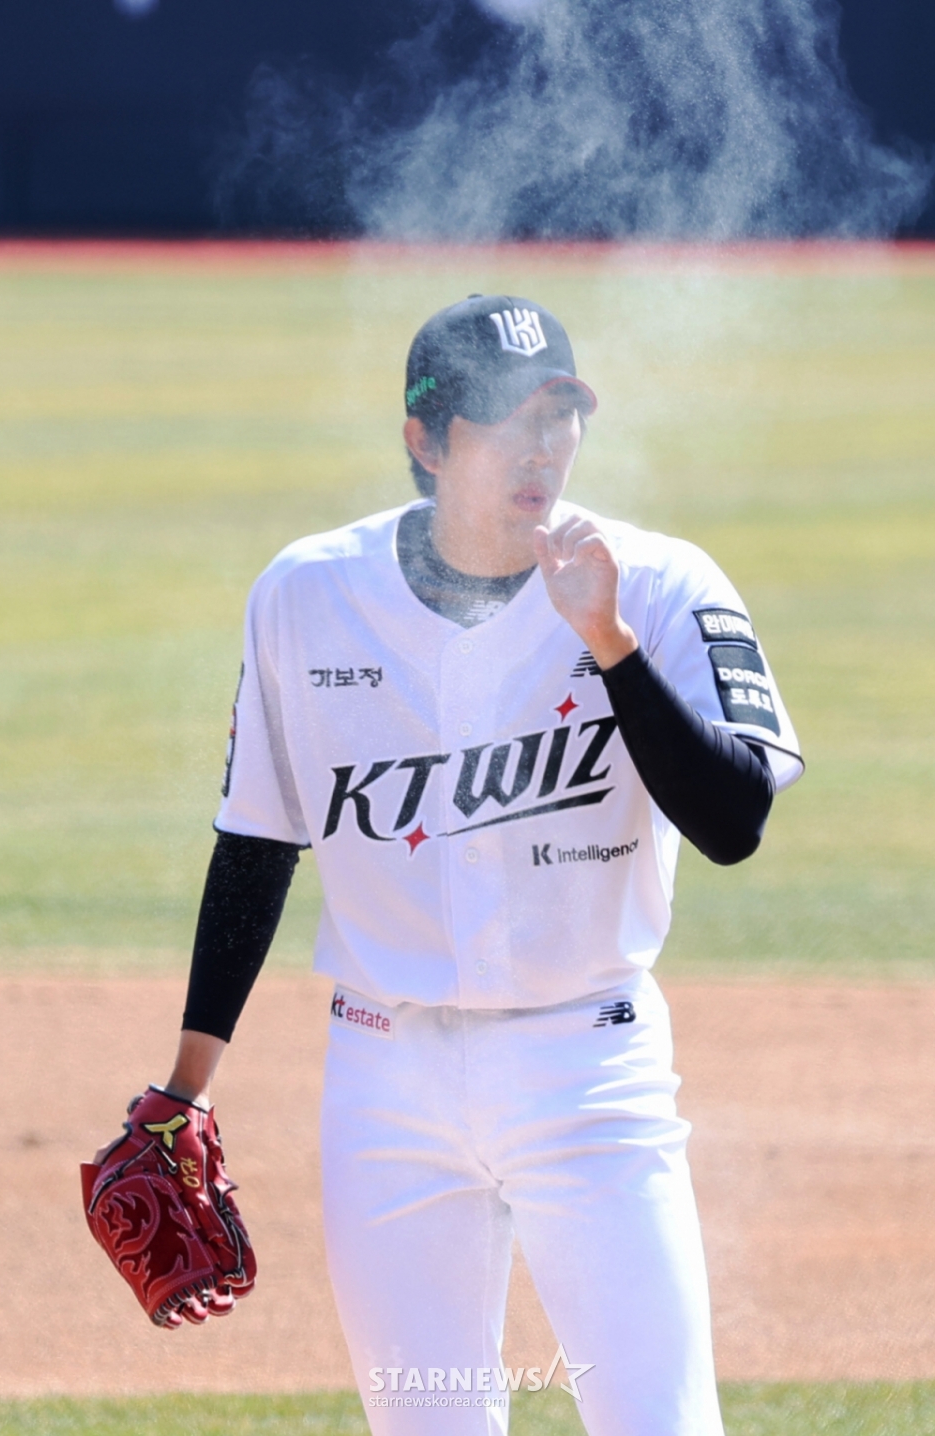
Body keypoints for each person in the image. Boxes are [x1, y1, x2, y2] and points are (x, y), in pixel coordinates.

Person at [159, 295, 802, 1434]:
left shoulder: (655, 584)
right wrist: (185, 1083)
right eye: (508, 421)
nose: (542, 448)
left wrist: (610, 646)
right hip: (384, 1082)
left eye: (560, 416)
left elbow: (734, 818)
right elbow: (259, 834)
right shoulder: (306, 598)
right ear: (426, 440)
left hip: (590, 1077)